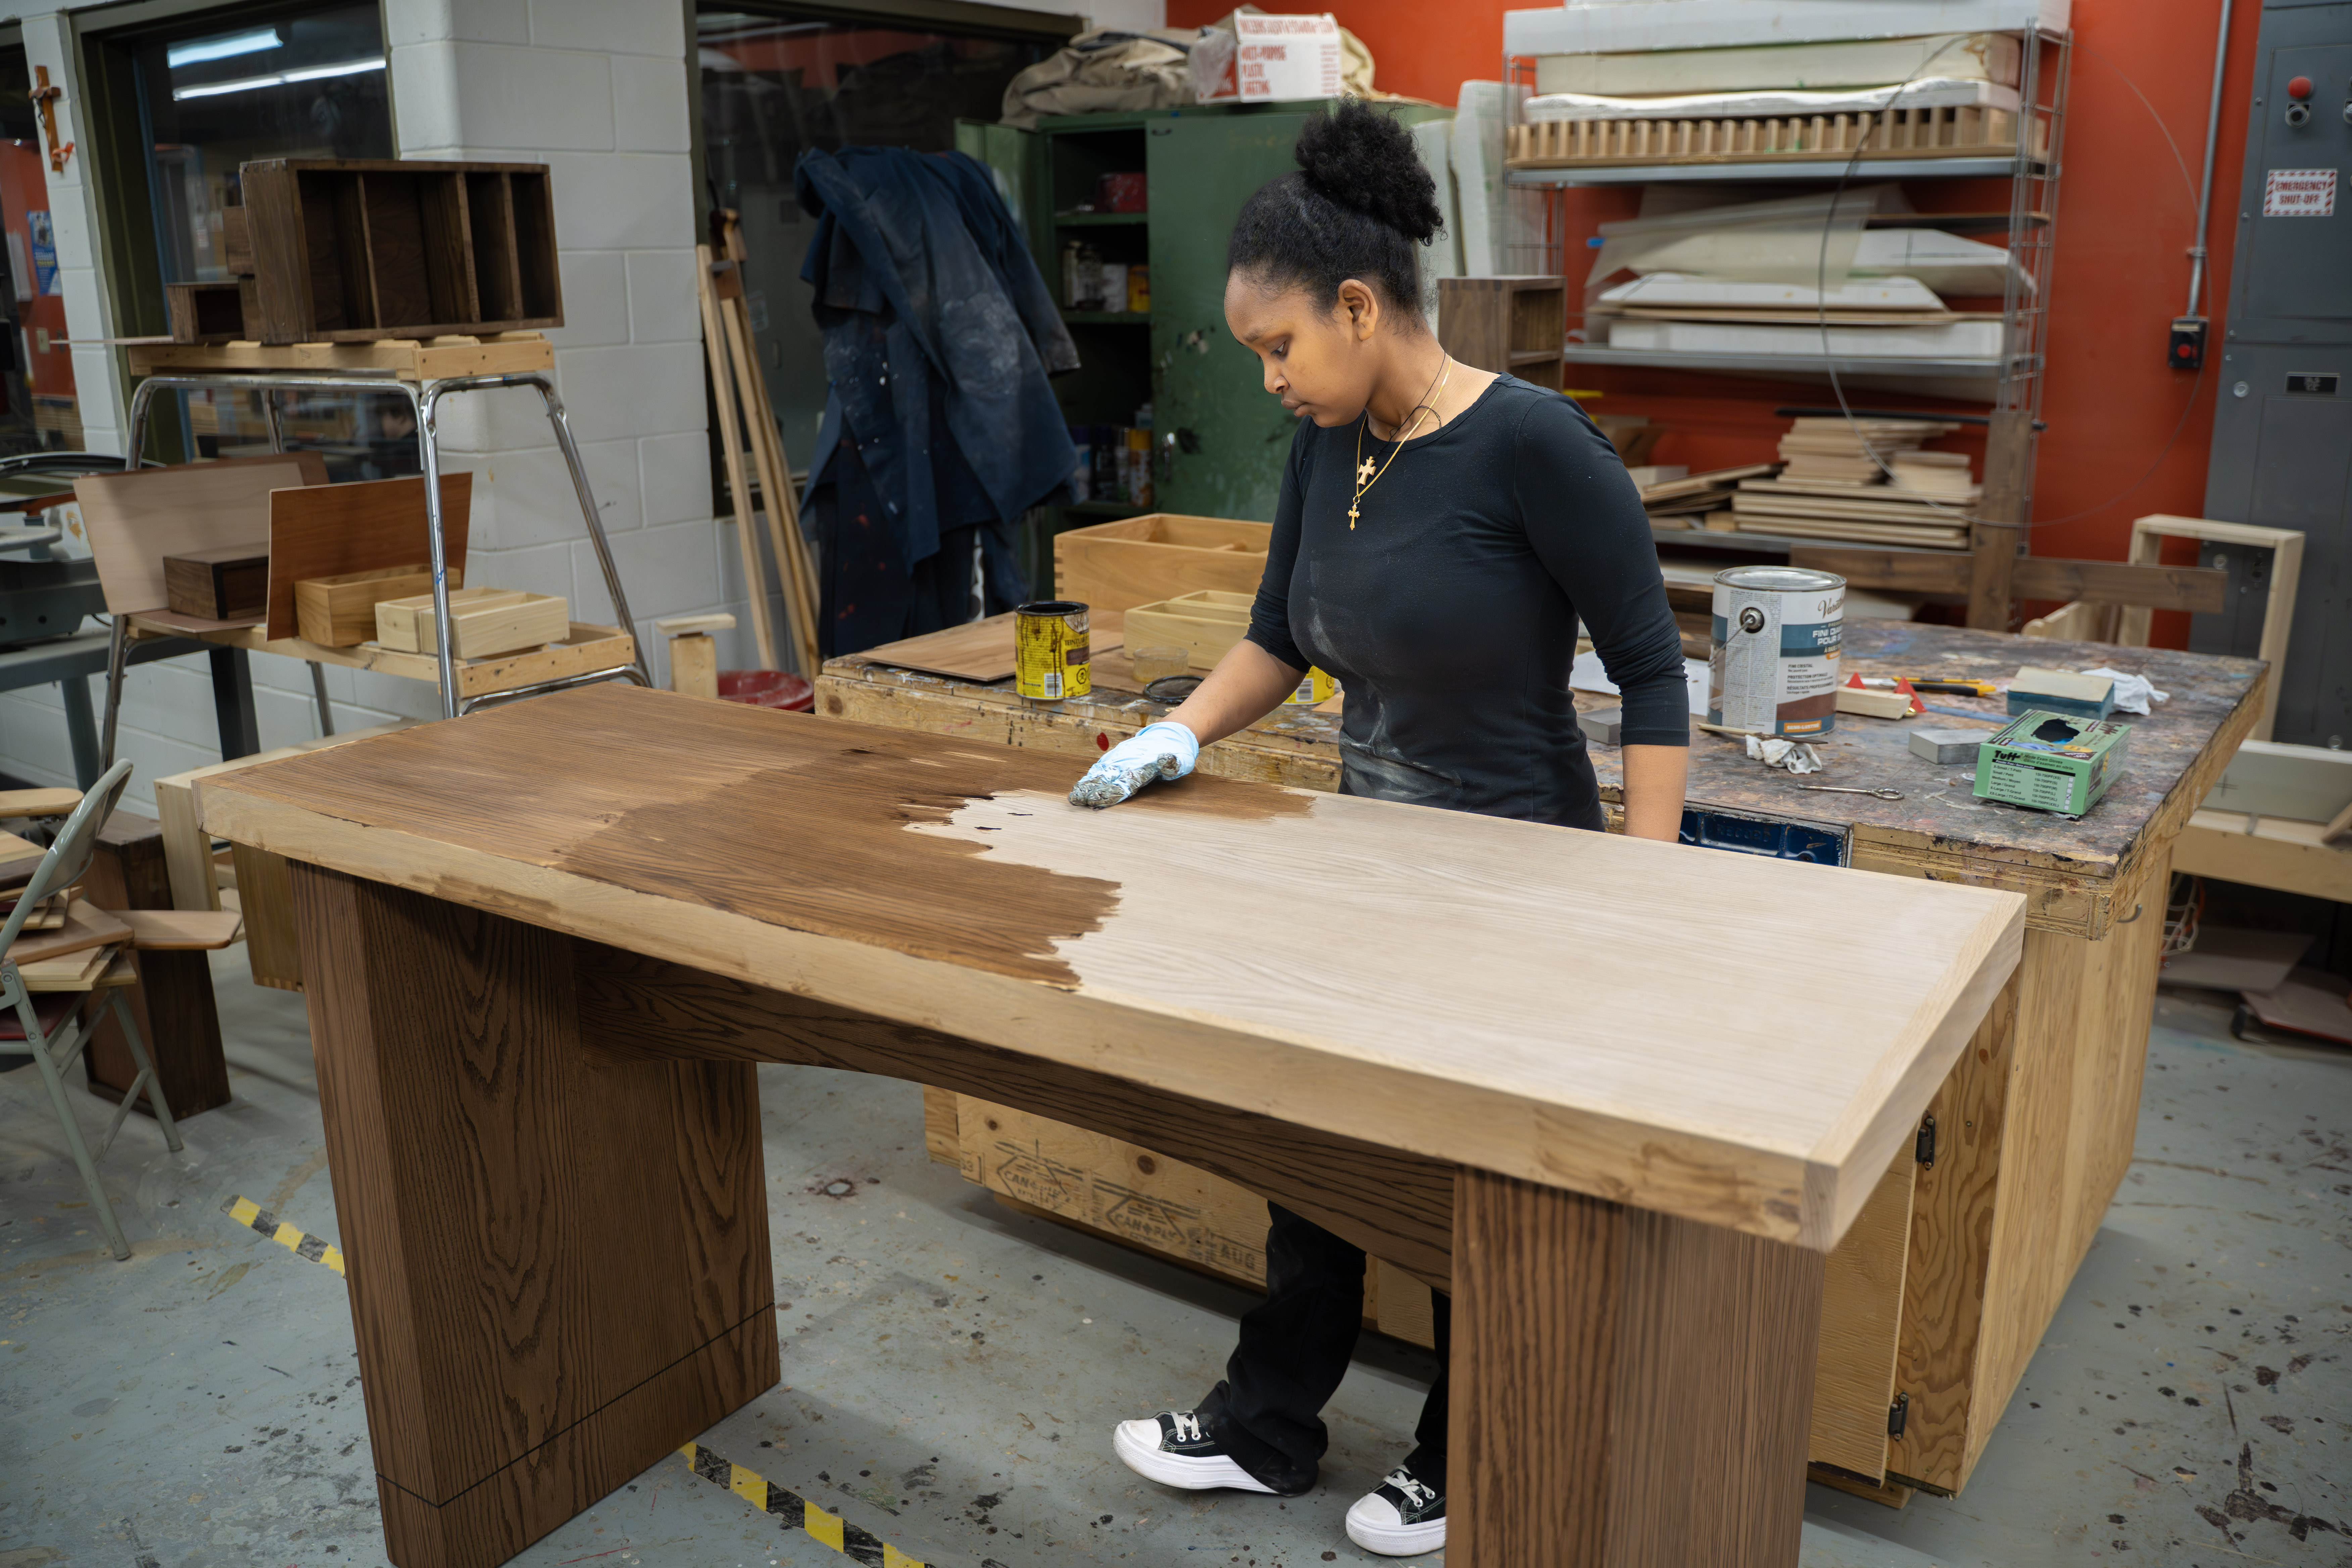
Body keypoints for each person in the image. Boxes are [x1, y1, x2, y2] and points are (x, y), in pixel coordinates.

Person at [1068, 102, 1690, 1558]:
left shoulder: (1535, 444)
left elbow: (1654, 667)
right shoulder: (1327, 443)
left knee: (1474, 1172)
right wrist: (1178, 732)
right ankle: (1268, 1425)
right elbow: (1280, 635)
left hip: (1523, 870)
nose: (1270, 378)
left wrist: (1652, 889)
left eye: (1280, 346)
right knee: (1319, 1149)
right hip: (1372, 864)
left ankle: (1464, 1453)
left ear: (1360, 307)